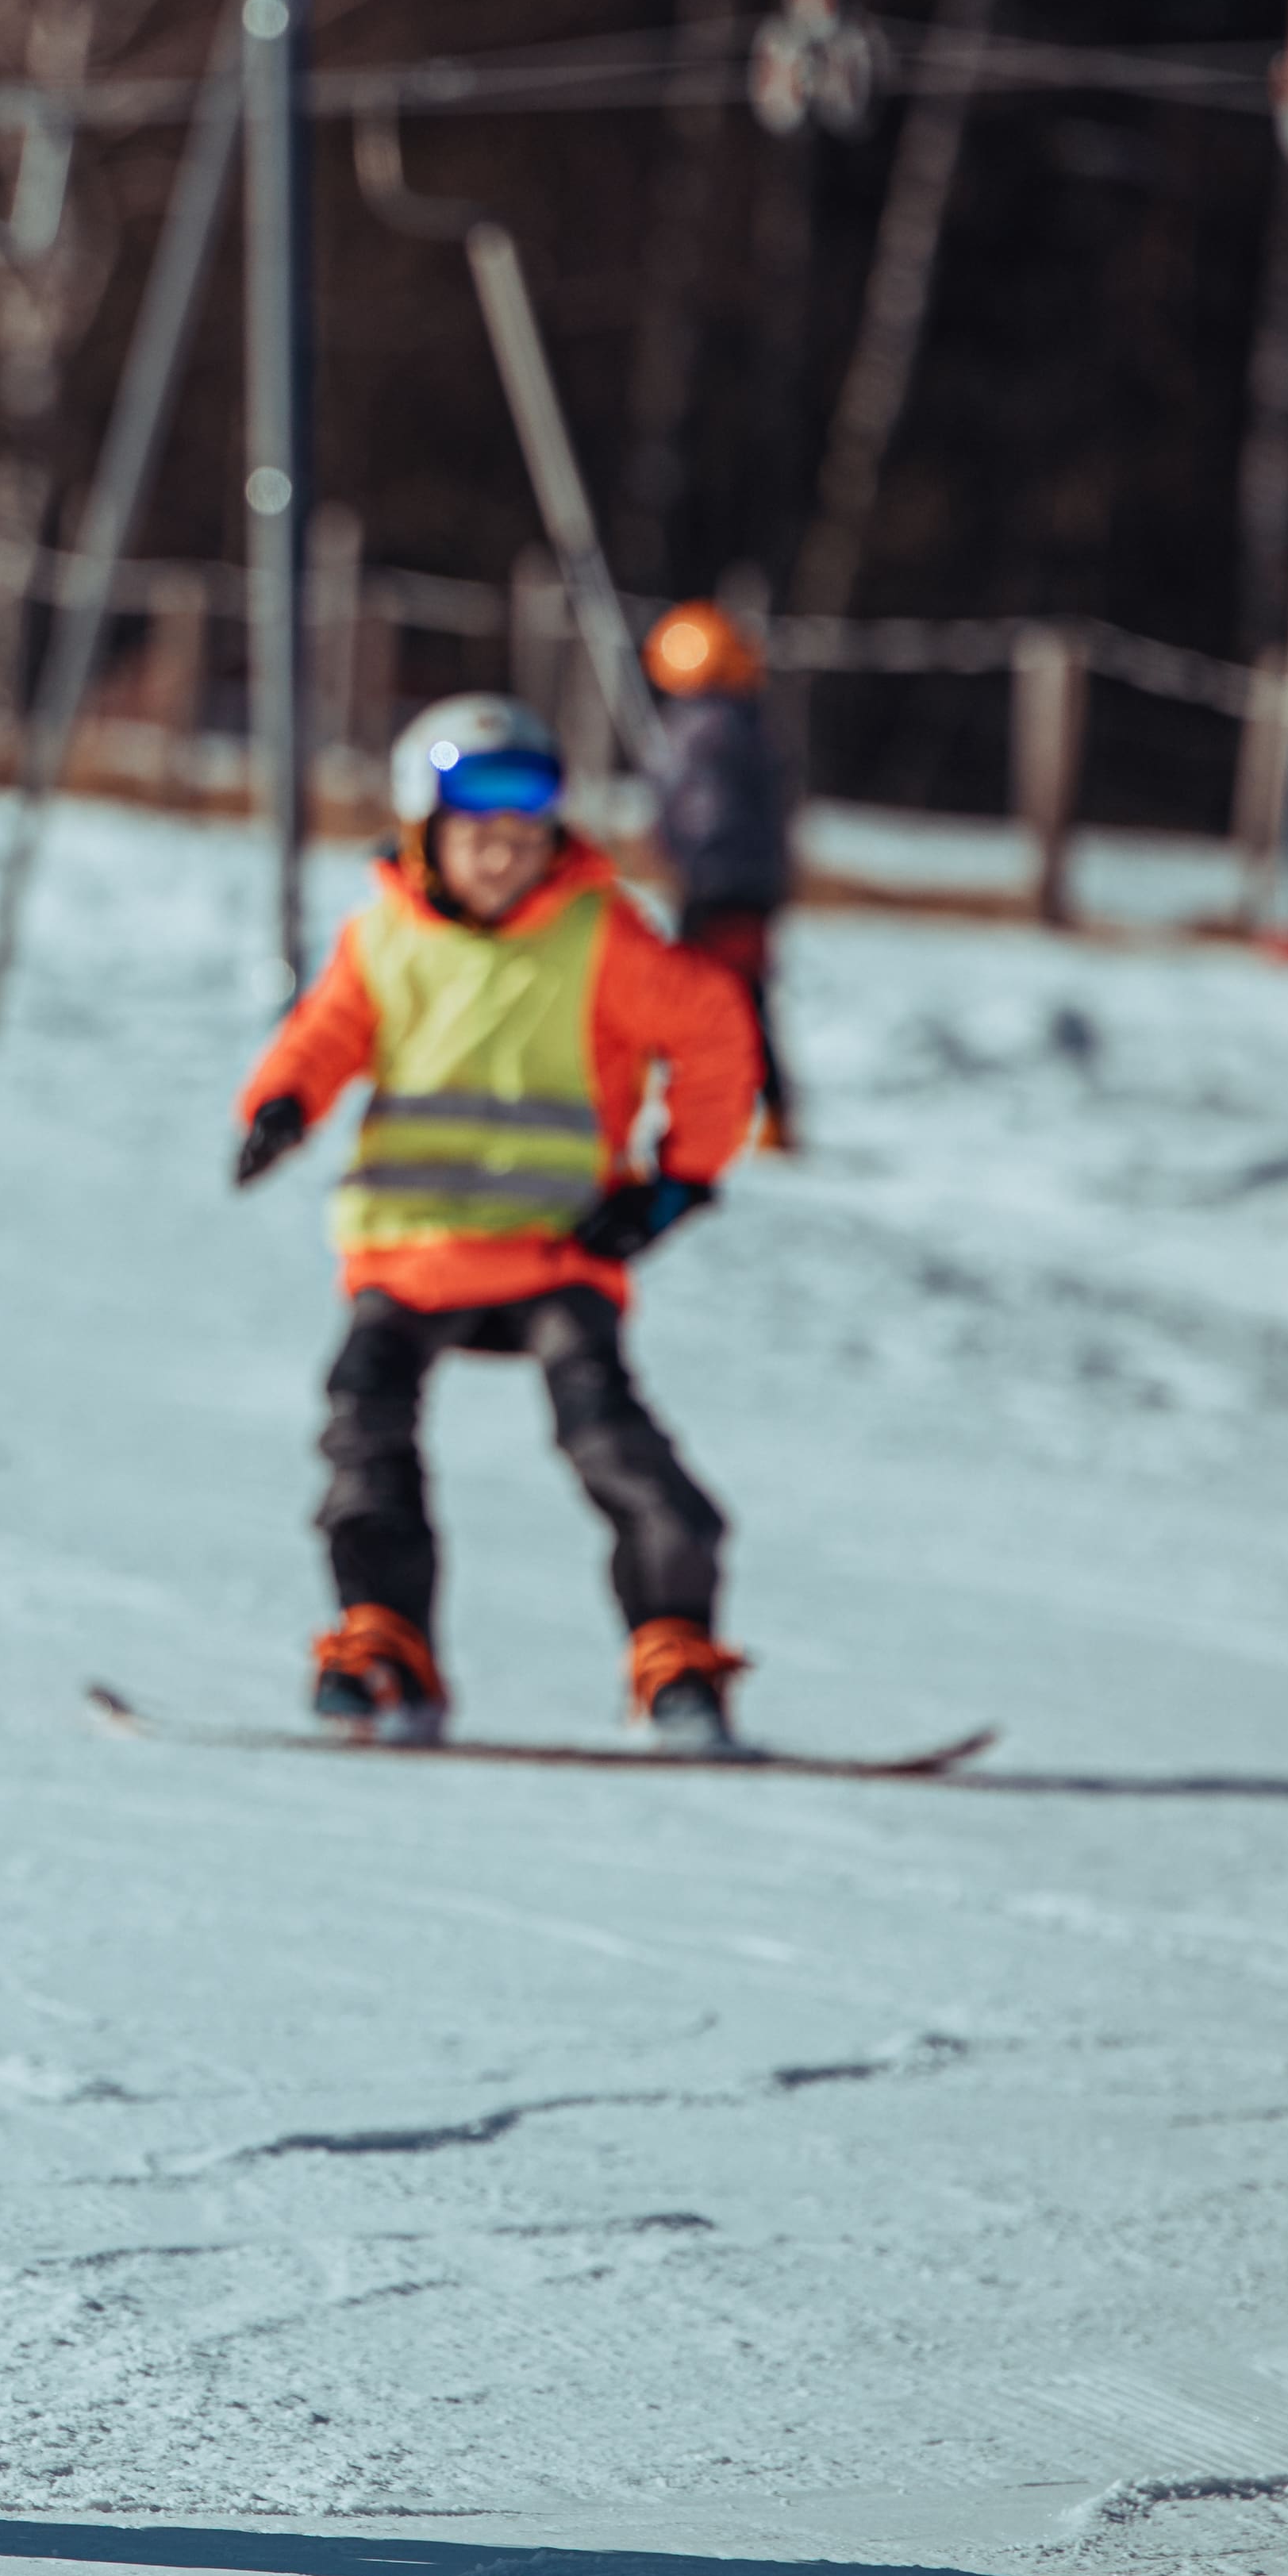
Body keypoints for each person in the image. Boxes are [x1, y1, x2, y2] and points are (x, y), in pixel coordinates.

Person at [231, 693, 765, 1754]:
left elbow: (713, 1030)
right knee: (362, 1437)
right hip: (410, 1253)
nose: (503, 857)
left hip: (555, 1255)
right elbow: (323, 1034)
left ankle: (676, 1656)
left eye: (525, 836)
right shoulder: (384, 935)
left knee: (613, 1442)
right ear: (426, 831)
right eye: (479, 835)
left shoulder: (597, 936)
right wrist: (279, 1107)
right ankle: (388, 1644)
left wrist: (677, 1179)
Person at [642, 599, 799, 1151]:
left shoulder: (706, 727)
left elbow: (703, 808)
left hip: (717, 885)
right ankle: (760, 1109)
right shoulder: (749, 722)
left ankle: (726, 1108)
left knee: (715, 1000)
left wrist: (682, 850)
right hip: (751, 886)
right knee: (736, 997)